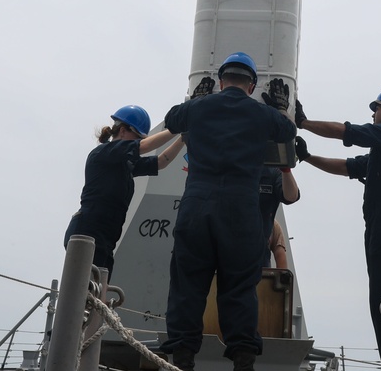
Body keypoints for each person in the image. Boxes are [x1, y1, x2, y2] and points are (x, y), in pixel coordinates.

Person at [158, 53, 296, 371]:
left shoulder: (199, 108)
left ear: (221, 81)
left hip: (197, 208)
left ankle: (182, 358)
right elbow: (286, 133)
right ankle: (243, 359)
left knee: (188, 284)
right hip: (241, 212)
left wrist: (197, 98)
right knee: (239, 288)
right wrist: (277, 106)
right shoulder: (260, 113)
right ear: (250, 85)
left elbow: (173, 119)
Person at [292, 87, 381, 371]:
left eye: (377, 108)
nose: (373, 114)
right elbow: (347, 166)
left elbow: (348, 132)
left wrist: (303, 123)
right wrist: (309, 157)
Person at [64, 105, 184, 276]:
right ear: (122, 130)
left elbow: (160, 162)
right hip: (87, 234)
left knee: (98, 290)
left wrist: (183, 138)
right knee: (83, 292)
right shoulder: (104, 153)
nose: (136, 142)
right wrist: (177, 126)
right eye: (136, 137)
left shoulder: (125, 164)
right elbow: (144, 146)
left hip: (106, 238)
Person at [259, 165, 299, 268]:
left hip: (259, 260)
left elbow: (291, 196)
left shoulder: (272, 173)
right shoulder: (229, 169)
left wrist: (286, 167)